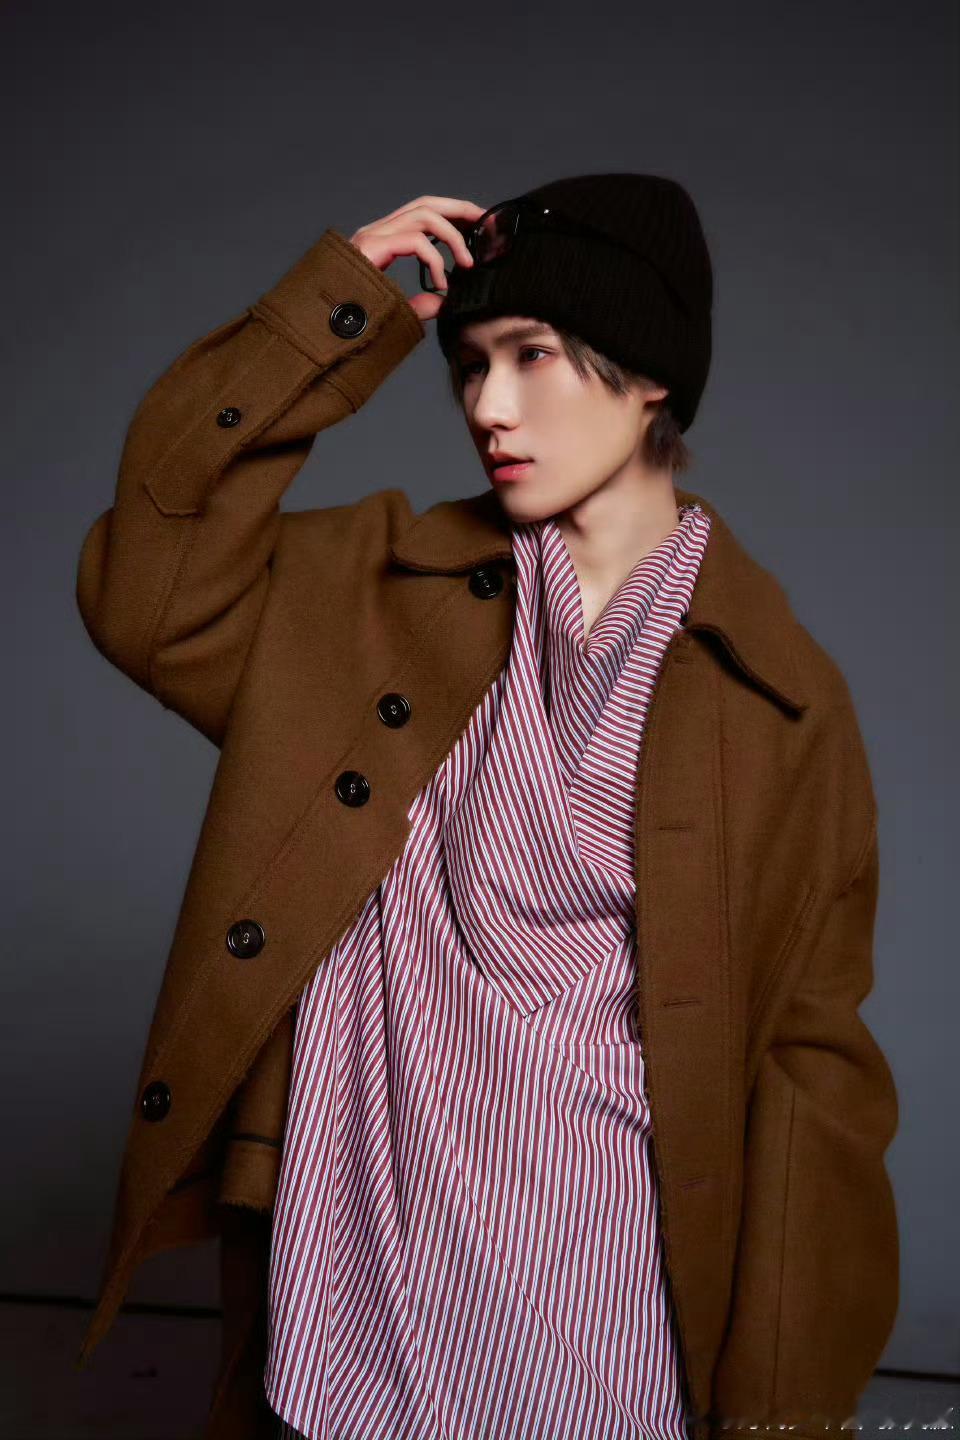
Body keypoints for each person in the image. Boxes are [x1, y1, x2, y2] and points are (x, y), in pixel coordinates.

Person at [74, 177, 899, 1440]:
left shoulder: (783, 702)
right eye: (469, 366)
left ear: (649, 373)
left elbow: (812, 1071)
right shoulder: (371, 590)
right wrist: (328, 313)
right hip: (356, 1288)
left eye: (532, 357)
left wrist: (783, 1408)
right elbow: (150, 585)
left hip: (601, 1288)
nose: (487, 408)